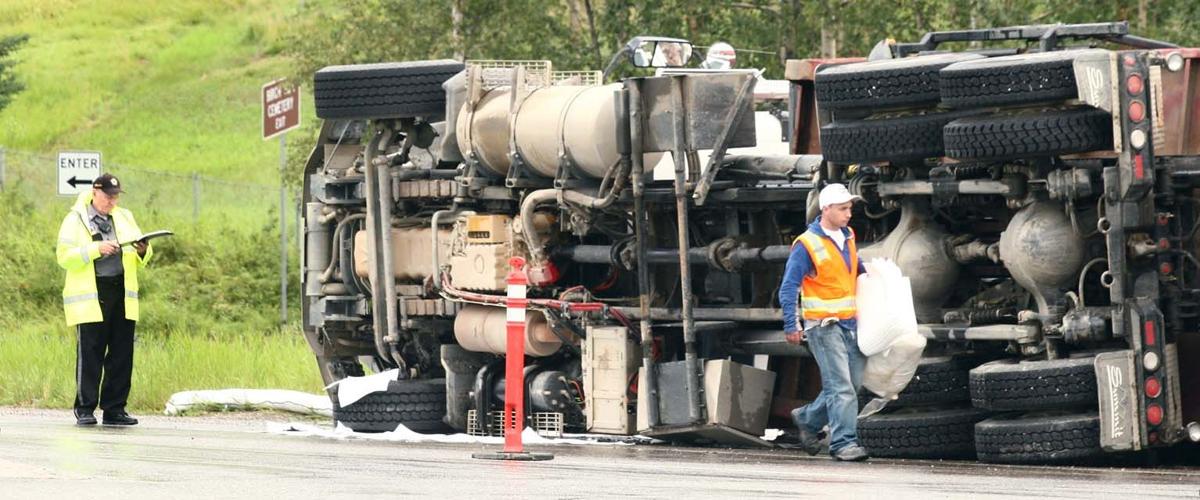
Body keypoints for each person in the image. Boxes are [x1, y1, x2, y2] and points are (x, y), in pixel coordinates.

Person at [778, 183, 869, 461]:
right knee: (841, 388)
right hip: (823, 326)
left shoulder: (848, 236)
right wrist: (791, 324)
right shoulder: (806, 245)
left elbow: (852, 268)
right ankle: (843, 444)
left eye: (850, 208)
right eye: (843, 209)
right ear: (826, 209)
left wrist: (873, 275)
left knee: (852, 385)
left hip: (849, 323)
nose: (849, 214)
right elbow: (789, 287)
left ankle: (808, 418)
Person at [55, 173, 152, 426]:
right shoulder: (75, 219)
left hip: (122, 291)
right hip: (92, 293)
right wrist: (95, 249)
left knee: (122, 352)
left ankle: (114, 409)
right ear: (95, 192)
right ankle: (85, 408)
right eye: (108, 196)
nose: (112, 201)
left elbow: (141, 255)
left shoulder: (124, 216)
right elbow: (64, 257)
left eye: (116, 196)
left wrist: (143, 250)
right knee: (91, 352)